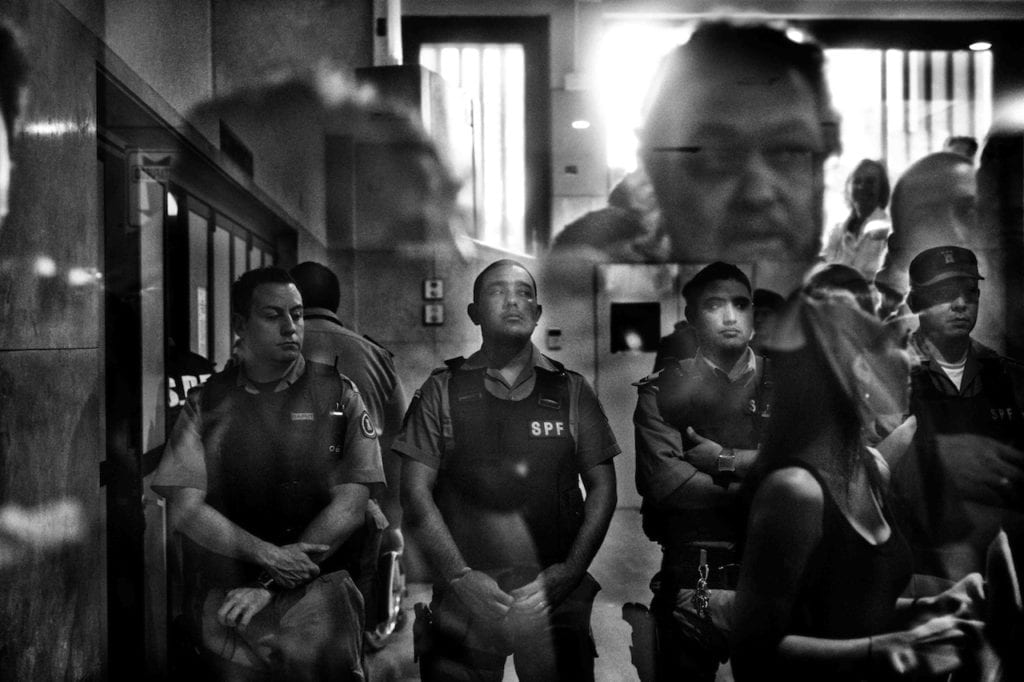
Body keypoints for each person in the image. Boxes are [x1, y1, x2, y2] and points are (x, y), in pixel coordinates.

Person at [730, 292, 986, 681]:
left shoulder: (866, 467)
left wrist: (931, 606)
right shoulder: (796, 490)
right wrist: (892, 647)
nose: (916, 359)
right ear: (856, 368)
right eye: (899, 344)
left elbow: (849, 607)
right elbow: (753, 654)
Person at [151, 267, 385, 679]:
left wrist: (270, 582)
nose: (291, 327)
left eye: (296, 315)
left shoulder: (338, 394)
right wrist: (269, 557)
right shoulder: (207, 403)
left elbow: (352, 502)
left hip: (319, 596)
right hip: (229, 596)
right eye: (273, 315)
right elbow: (185, 507)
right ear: (241, 325)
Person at [395, 259, 619, 681]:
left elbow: (603, 488)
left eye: (523, 293)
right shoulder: (442, 389)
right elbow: (415, 494)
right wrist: (460, 577)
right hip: (466, 593)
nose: (513, 300)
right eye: (497, 291)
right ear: (474, 312)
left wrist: (568, 573)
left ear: (536, 313)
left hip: (552, 593)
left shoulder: (572, 389)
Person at [633, 261, 771, 681]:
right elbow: (669, 486)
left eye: (741, 304)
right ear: (692, 318)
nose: (731, 317)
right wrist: (770, 479)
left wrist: (725, 460)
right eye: (715, 305)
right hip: (694, 580)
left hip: (776, 576)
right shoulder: (663, 391)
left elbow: (819, 467)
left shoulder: (792, 384)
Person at [890, 246, 1024, 585]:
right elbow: (861, 471)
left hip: (1000, 561)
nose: (961, 304)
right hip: (916, 567)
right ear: (916, 303)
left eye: (970, 293)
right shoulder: (885, 374)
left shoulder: (1008, 376)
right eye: (945, 294)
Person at [290, 260, 408, 638]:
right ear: (336, 303)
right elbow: (400, 441)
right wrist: (392, 516)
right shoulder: (376, 356)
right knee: (347, 624)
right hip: (357, 512)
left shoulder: (268, 347)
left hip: (276, 511)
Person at [820, 159, 892, 280]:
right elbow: (823, 267)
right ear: (848, 188)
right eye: (857, 181)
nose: (862, 187)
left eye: (870, 182)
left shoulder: (890, 231)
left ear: (882, 189)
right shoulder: (837, 231)